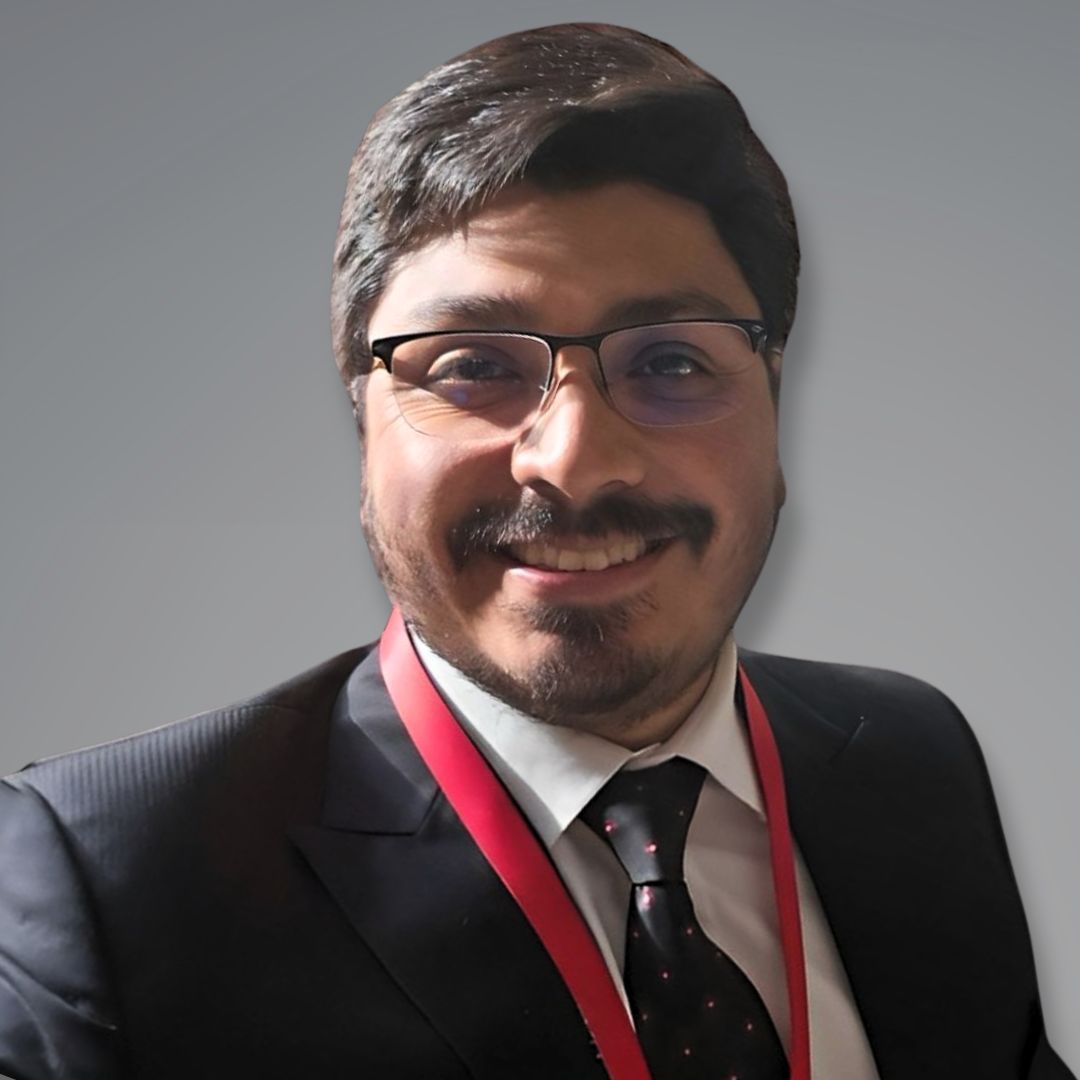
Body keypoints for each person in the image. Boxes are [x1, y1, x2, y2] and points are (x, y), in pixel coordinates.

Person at [0, 21, 1072, 1080]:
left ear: (775, 398)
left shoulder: (910, 756)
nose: (575, 462)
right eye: (472, 365)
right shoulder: (110, 880)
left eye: (671, 362)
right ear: (360, 413)